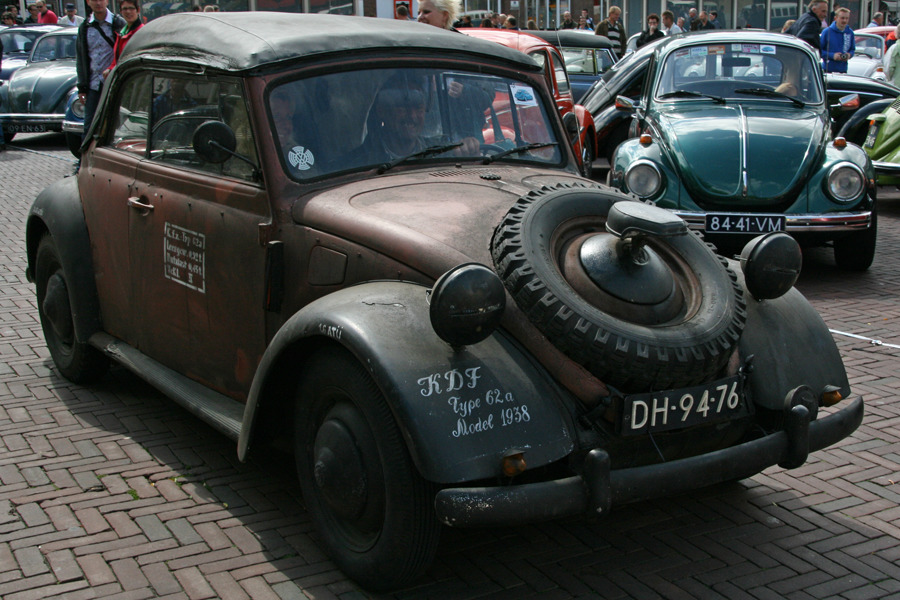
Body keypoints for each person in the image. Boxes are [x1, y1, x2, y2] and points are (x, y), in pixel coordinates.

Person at [75, 0, 126, 139]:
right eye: (94, 0)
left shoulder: (118, 24)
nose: (98, 3)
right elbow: (81, 58)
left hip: (113, 84)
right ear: (88, 2)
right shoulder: (85, 27)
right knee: (89, 127)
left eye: (101, 0)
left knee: (115, 126)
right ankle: (86, 153)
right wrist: (82, 87)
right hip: (93, 85)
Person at [102, 0, 141, 78]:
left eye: (131, 8)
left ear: (138, 10)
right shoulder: (122, 33)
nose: (128, 12)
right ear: (120, 11)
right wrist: (110, 69)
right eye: (125, 9)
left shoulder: (141, 32)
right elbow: (116, 59)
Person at [821, 7, 854, 73]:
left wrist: (849, 55)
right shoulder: (827, 32)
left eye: (847, 18)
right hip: (828, 70)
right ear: (835, 18)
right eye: (842, 18)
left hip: (843, 70)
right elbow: (819, 51)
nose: (844, 21)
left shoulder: (850, 32)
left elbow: (852, 49)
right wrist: (832, 55)